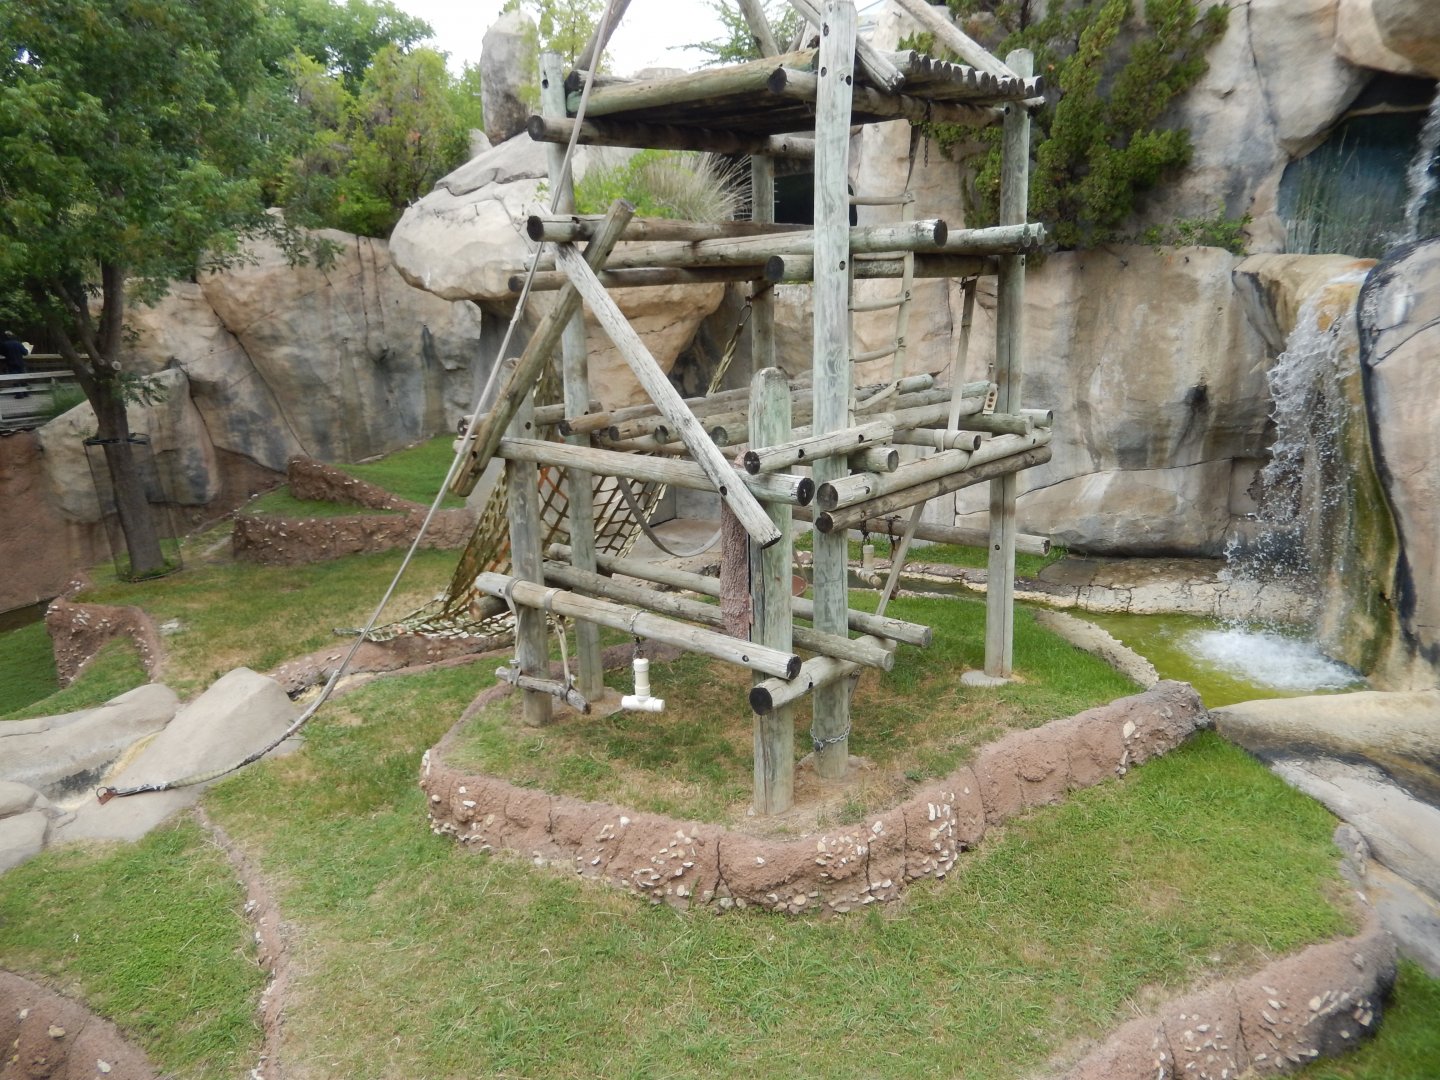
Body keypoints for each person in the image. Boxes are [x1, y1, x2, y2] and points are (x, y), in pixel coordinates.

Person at [1, 331, 28, 398]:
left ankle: (19, 394)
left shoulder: (4, 344)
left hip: (11, 364)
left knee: (15, 378)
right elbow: (25, 352)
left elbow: (2, 353)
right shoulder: (18, 343)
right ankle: (26, 393)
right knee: (23, 378)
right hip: (20, 363)